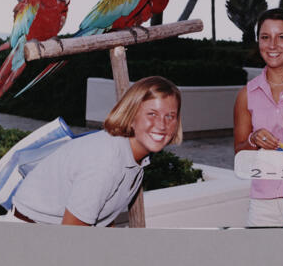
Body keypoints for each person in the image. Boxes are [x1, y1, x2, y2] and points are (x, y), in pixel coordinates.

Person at [10, 76, 183, 226]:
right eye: (152, 114)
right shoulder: (106, 162)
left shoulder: (132, 155)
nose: (162, 124)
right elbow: (73, 236)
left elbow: (101, 213)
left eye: (170, 116)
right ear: (131, 118)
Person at [233, 8, 283, 227]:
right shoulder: (246, 95)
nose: (272, 45)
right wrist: (253, 140)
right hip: (263, 203)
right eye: (265, 37)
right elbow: (239, 154)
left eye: (281, 37)